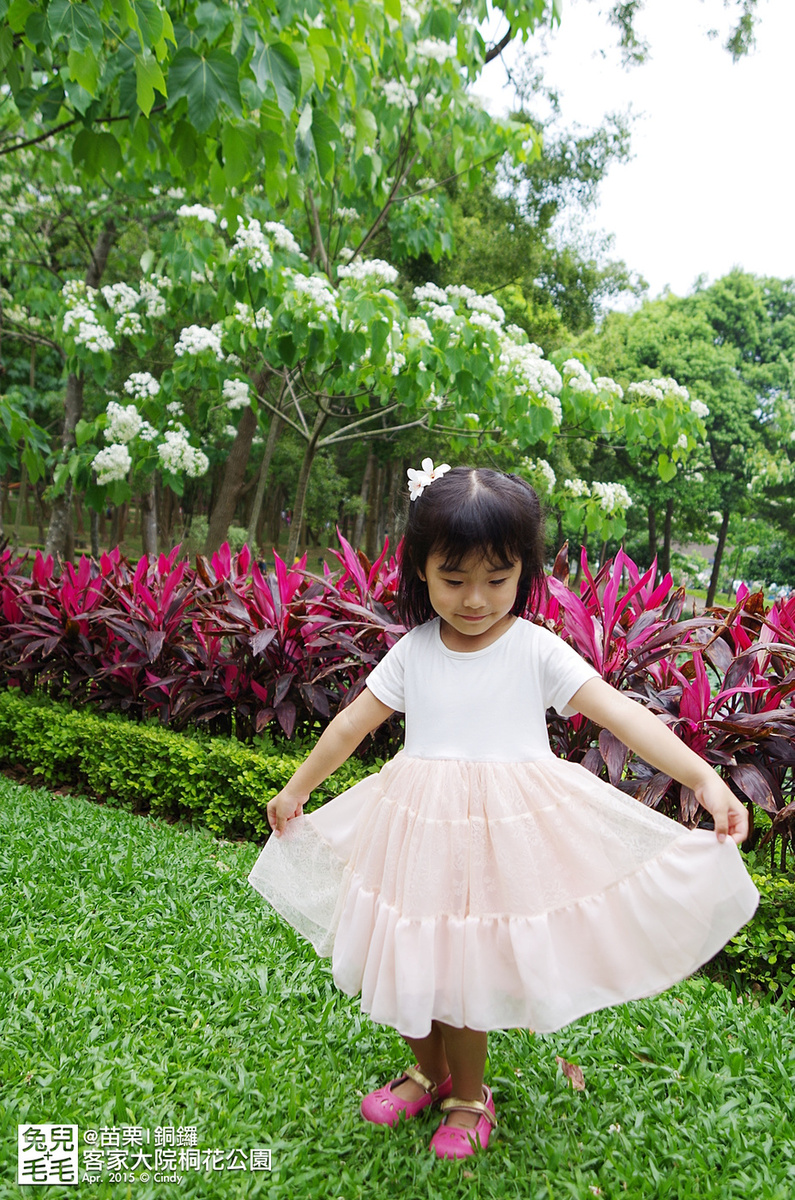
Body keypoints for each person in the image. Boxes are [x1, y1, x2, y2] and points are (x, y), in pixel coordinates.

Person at [247, 462, 758, 1160]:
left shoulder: (535, 650)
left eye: (497, 578)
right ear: (420, 572)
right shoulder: (412, 651)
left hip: (501, 841)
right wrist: (297, 788)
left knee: (464, 963)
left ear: (525, 572)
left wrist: (705, 779)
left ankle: (468, 1093)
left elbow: (623, 718)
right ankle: (426, 1071)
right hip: (414, 832)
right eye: (453, 579)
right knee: (402, 953)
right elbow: (350, 726)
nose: (475, 598)